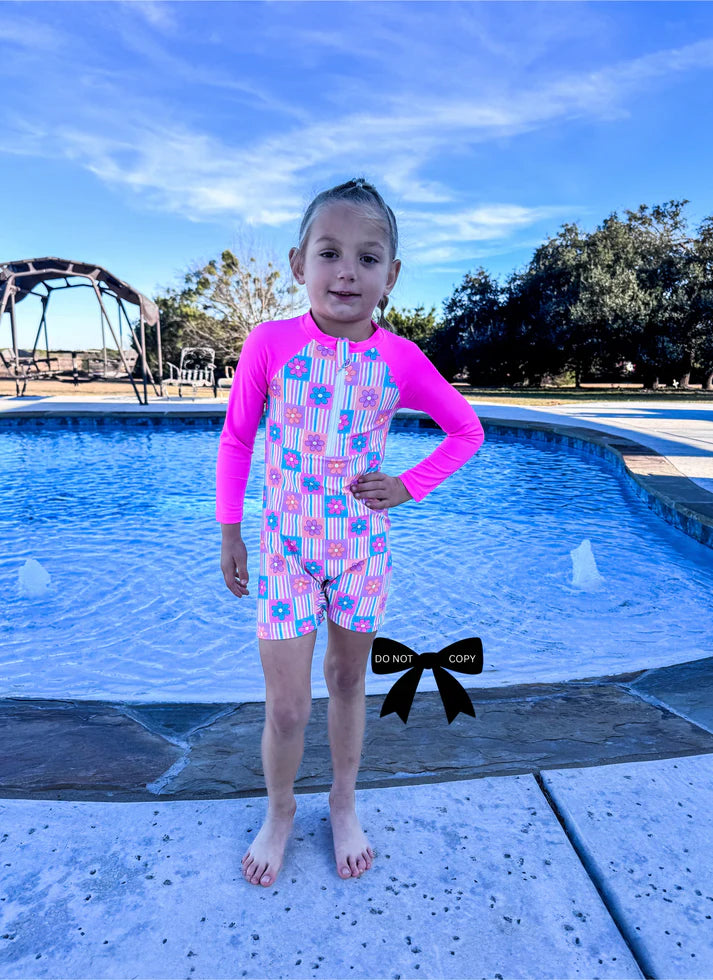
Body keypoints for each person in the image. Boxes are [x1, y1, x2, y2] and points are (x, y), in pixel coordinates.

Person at [216, 176, 485, 887]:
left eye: (368, 258)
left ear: (390, 276)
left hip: (361, 553)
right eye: (329, 253)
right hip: (285, 553)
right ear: (298, 263)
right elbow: (237, 440)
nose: (346, 272)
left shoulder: (400, 359)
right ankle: (279, 809)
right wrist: (230, 531)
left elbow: (466, 431)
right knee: (286, 705)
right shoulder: (270, 344)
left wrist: (409, 485)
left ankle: (342, 802)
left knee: (345, 681)